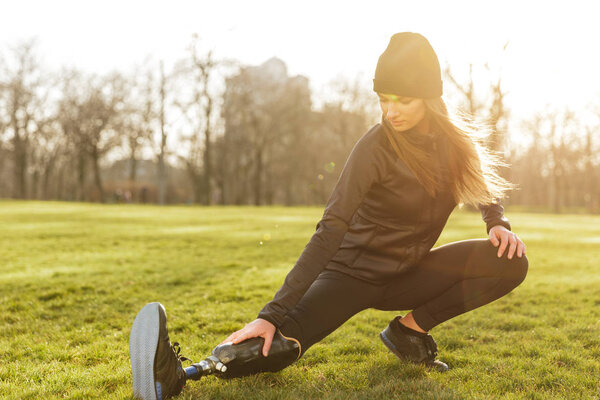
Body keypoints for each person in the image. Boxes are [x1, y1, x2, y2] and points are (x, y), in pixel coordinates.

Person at [128, 32, 529, 400]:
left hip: (409, 274)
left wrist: (496, 223)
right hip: (351, 274)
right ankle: (179, 374)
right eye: (384, 99)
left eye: (403, 100)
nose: (391, 111)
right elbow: (330, 228)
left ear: (428, 97)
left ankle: (410, 331)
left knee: (510, 261)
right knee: (281, 344)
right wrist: (271, 314)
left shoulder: (455, 145)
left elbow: (483, 185)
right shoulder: (374, 148)